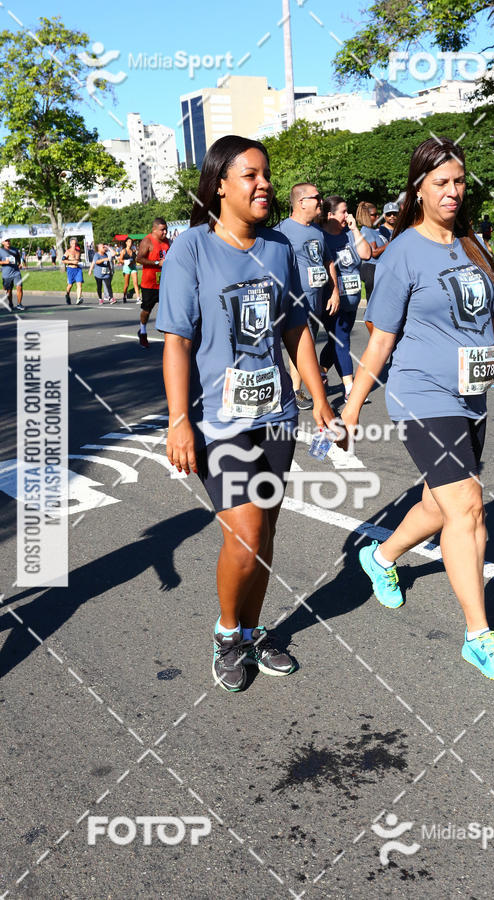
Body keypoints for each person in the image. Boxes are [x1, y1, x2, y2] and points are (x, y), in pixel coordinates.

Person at [341, 136, 494, 682]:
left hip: (471, 395)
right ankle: (478, 636)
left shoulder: (473, 245)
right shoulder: (401, 254)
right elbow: (380, 338)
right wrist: (351, 408)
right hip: (421, 395)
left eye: (459, 181)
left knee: (438, 505)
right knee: (467, 507)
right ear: (418, 189)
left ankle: (381, 556)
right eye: (441, 182)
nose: (453, 191)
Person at [156, 135, 341, 693]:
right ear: (220, 185)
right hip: (218, 419)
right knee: (246, 532)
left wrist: (321, 401)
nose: (264, 185)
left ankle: (254, 629)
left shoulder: (279, 247)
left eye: (266, 175)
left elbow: (295, 330)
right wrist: (177, 420)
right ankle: (227, 633)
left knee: (266, 532)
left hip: (276, 415)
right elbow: (177, 341)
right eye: (251, 176)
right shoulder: (191, 248)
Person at [275, 183, 340, 410]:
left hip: (316, 301)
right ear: (302, 202)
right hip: (295, 302)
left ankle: (295, 390)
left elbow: (327, 261)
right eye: (317, 197)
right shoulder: (281, 231)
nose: (321, 201)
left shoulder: (317, 231)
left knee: (304, 346)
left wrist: (334, 291)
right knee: (305, 346)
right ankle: (307, 392)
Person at [319, 195, 372, 404]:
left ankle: (320, 372)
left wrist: (355, 229)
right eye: (343, 212)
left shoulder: (350, 235)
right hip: (333, 300)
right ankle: (350, 388)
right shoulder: (321, 237)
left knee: (335, 342)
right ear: (330, 215)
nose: (347, 215)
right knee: (342, 340)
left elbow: (366, 254)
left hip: (352, 300)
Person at [137, 218, 170, 348]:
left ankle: (169, 335)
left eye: (166, 229)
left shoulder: (167, 242)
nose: (165, 232)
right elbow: (139, 259)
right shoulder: (147, 241)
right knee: (147, 310)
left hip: (164, 282)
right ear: (154, 230)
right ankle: (143, 331)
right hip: (149, 283)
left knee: (168, 309)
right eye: (162, 230)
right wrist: (157, 263)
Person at [356, 201, 387, 302]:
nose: (377, 216)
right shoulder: (366, 231)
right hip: (371, 269)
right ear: (366, 216)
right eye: (374, 214)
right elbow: (374, 252)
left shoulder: (374, 231)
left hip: (378, 269)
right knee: (374, 303)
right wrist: (390, 244)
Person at [0, 238, 26, 311]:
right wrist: (4, 262)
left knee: (19, 287)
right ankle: (10, 303)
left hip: (16, 272)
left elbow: (18, 258)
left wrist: (20, 264)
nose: (8, 242)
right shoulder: (0, 251)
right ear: (2, 243)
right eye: (6, 241)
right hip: (6, 273)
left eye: (9, 241)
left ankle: (19, 304)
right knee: (9, 291)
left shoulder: (15, 250)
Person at [63, 237, 84, 305]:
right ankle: (67, 295)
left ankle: (78, 299)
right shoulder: (68, 251)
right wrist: (72, 262)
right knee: (70, 285)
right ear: (70, 244)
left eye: (75, 243)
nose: (74, 245)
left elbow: (79, 260)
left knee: (79, 284)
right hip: (70, 269)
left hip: (78, 269)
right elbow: (63, 260)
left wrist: (80, 263)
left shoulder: (78, 252)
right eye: (72, 243)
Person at [119, 238, 140, 303]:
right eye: (129, 241)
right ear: (126, 243)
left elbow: (135, 259)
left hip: (133, 267)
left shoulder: (133, 251)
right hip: (126, 268)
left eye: (131, 242)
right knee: (126, 284)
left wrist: (135, 260)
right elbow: (120, 260)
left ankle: (138, 298)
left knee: (135, 283)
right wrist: (125, 261)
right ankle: (124, 296)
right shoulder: (123, 251)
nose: (130, 243)